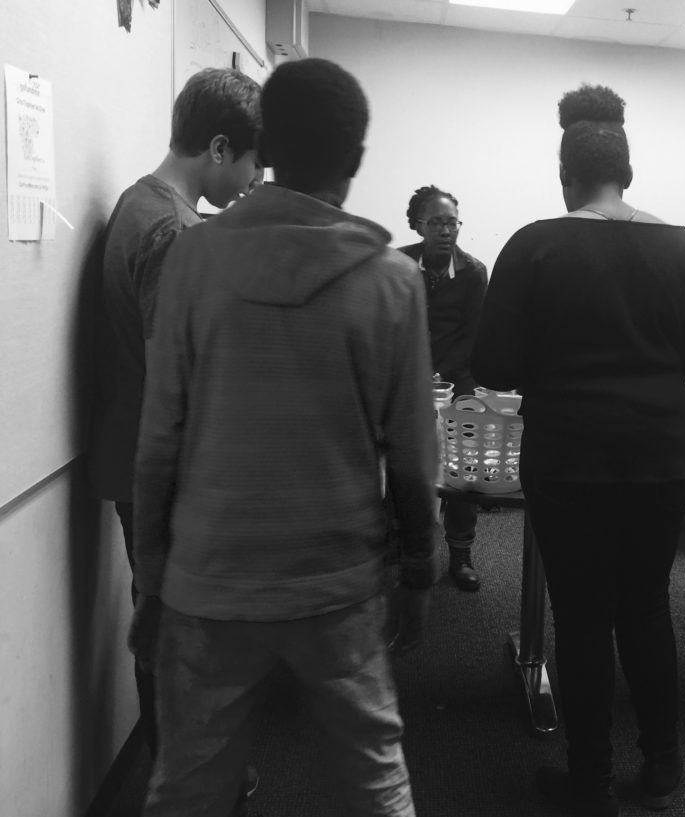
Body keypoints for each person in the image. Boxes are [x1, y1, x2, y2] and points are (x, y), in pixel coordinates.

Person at [129, 58, 437, 817]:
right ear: (356, 162)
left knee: (188, 785)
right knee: (374, 779)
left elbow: (160, 434)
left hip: (210, 574)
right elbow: (411, 450)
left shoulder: (194, 256)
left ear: (266, 145)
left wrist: (154, 571)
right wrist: (421, 567)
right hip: (336, 577)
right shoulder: (393, 281)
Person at [471, 84, 685, 817]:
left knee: (583, 615)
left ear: (566, 178)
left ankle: (589, 784)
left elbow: (491, 363)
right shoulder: (681, 244)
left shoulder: (534, 244)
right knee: (646, 604)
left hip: (569, 458)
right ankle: (663, 763)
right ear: (628, 173)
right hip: (660, 454)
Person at [88, 67, 263, 774]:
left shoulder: (142, 202)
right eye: (254, 164)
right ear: (220, 148)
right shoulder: (173, 231)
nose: (253, 181)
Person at [398, 186, 488, 592]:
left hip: (459, 377)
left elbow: (475, 334)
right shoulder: (397, 264)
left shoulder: (473, 271)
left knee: (463, 470)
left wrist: (445, 376)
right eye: (436, 222)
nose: (446, 230)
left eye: (452, 222)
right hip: (406, 377)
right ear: (417, 224)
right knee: (402, 466)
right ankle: (401, 549)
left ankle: (461, 554)